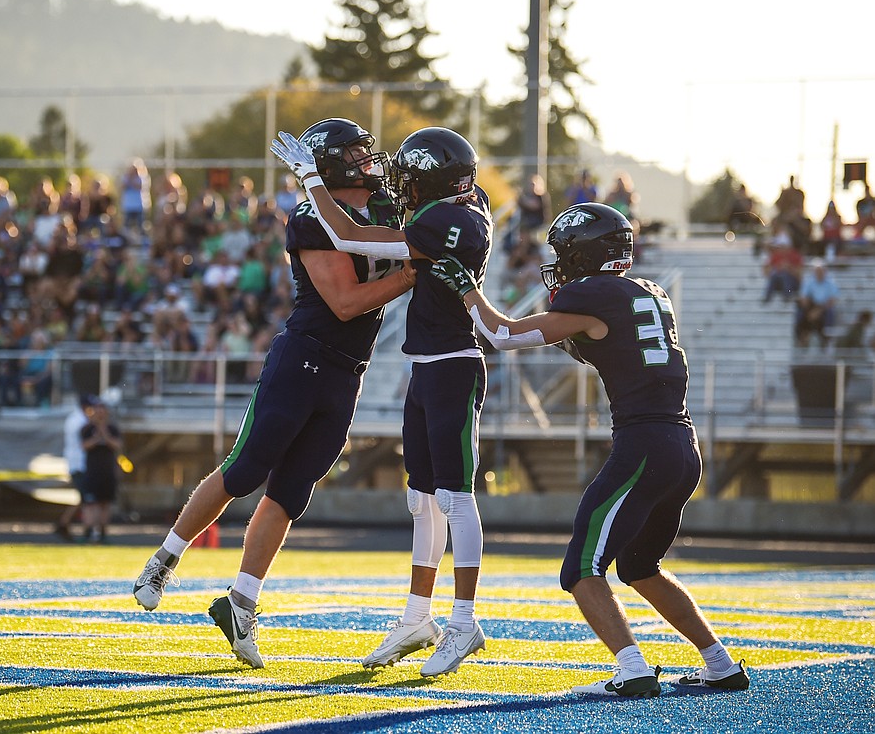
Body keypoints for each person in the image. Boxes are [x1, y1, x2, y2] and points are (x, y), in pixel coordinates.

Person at [429, 202, 750, 698]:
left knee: (581, 567)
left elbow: (500, 335)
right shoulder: (651, 293)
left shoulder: (591, 294)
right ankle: (719, 663)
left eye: (565, 253)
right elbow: (599, 343)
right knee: (641, 567)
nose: (560, 263)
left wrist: (468, 290)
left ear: (584, 254)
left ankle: (633, 669)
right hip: (682, 447)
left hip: (644, 445)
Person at [133, 118, 415, 671]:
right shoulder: (312, 215)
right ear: (330, 165)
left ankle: (241, 603)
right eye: (355, 154)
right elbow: (344, 301)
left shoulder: (383, 206)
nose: (368, 161)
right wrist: (409, 275)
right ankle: (164, 560)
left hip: (348, 369)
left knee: (293, 489)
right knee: (246, 469)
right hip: (304, 357)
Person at [271, 126, 492, 678]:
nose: (400, 186)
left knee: (456, 500)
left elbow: (347, 236)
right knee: (422, 499)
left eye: (411, 179)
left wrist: (312, 179)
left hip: (453, 364)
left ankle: (464, 621)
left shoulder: (448, 219)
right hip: (427, 362)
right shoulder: (456, 207)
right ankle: (420, 616)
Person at [52, 394, 96, 541]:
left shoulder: (74, 418)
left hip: (77, 462)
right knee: (87, 498)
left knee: (83, 497)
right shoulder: (79, 421)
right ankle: (78, 527)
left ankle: (64, 523)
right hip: (78, 463)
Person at [80, 398, 124, 543]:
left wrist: (104, 433)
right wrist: (97, 436)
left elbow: (116, 445)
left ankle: (103, 533)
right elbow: (85, 446)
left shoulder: (112, 429)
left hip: (108, 471)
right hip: (92, 471)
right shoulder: (86, 429)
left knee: (105, 503)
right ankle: (88, 532)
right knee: (91, 503)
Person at [795, 259, 840, 349]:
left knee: (829, 313)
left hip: (824, 307)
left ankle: (825, 339)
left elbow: (833, 300)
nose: (819, 273)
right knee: (800, 312)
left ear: (825, 271)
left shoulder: (831, 283)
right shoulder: (809, 282)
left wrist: (819, 310)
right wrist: (810, 310)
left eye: (821, 271)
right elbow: (804, 297)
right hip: (811, 306)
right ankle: (801, 336)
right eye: (817, 271)